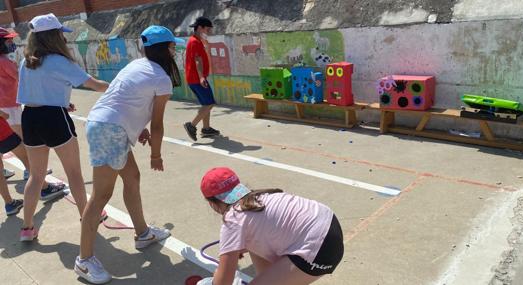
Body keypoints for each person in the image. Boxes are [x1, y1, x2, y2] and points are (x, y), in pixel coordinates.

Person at [75, 25, 182, 284]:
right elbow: (157, 124)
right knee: (101, 195)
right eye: (172, 46)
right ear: (165, 49)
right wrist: (156, 155)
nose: (175, 50)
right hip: (110, 130)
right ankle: (84, 260)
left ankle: (143, 233)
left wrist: (136, 129)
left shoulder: (138, 65)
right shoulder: (161, 78)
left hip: (110, 127)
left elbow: (127, 101)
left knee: (132, 177)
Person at [17, 13, 109, 241]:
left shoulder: (26, 61)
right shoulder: (59, 60)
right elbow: (95, 85)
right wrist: (121, 86)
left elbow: (33, 93)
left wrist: (61, 100)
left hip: (30, 117)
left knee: (36, 176)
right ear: (53, 36)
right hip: (54, 118)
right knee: (74, 173)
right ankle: (87, 216)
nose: (63, 37)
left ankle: (27, 228)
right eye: (60, 33)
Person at [198, 167, 344, 285]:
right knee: (253, 246)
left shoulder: (233, 219)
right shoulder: (258, 197)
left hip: (320, 249)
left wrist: (213, 280)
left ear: (212, 203)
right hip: (328, 223)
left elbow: (223, 282)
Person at [0, 27, 65, 199]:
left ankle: (32, 171)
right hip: (10, 105)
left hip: (5, 106)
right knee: (25, 141)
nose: (11, 44)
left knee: (19, 140)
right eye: (8, 41)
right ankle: (34, 174)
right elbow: (22, 79)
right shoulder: (5, 62)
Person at [183, 16, 220, 141]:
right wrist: (201, 77)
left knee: (206, 103)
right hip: (196, 79)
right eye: (207, 29)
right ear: (200, 28)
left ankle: (206, 129)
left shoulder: (197, 41)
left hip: (195, 78)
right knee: (209, 103)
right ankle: (191, 125)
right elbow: (197, 60)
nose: (208, 32)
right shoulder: (194, 42)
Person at [0, 110, 23, 216]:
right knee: (27, 157)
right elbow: (4, 114)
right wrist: (5, 115)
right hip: (3, 134)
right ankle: (45, 188)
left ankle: (9, 203)